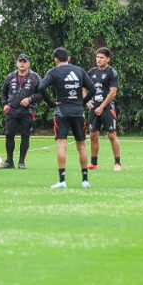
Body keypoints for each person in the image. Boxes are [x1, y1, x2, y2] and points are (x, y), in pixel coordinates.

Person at [38, 47, 95, 190]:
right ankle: (85, 181)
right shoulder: (79, 70)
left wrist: (51, 103)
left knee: (61, 144)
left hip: (61, 111)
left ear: (55, 59)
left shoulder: (53, 72)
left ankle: (62, 181)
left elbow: (40, 87)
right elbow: (93, 88)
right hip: (78, 112)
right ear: (68, 58)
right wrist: (82, 102)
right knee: (81, 146)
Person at [0, 54, 42, 169]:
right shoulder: (10, 76)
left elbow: (41, 93)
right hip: (12, 110)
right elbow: (3, 92)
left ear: (28, 64)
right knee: (9, 135)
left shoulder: (35, 77)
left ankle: (21, 161)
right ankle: (9, 161)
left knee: (25, 135)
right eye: (20, 61)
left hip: (27, 111)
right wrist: (5, 105)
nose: (22, 63)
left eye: (24, 61)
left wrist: (30, 99)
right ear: (17, 63)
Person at [87, 47, 122, 171]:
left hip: (107, 108)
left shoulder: (112, 72)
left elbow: (113, 93)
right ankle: (94, 163)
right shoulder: (91, 72)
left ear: (108, 59)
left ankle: (117, 163)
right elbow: (82, 86)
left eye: (102, 57)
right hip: (94, 109)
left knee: (111, 135)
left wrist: (102, 107)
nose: (99, 59)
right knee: (93, 135)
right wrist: (87, 100)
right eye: (97, 57)